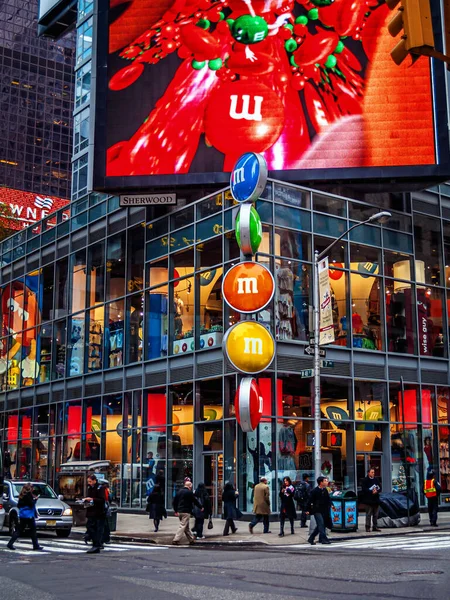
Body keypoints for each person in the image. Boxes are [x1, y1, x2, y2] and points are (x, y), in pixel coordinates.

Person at [7, 483, 44, 551]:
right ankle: (35, 546)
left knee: (19, 530)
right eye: (32, 487)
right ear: (29, 488)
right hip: (29, 515)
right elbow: (31, 504)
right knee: (33, 530)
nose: (33, 489)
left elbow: (19, 505)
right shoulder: (28, 495)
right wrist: (35, 499)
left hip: (23, 515)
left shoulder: (21, 495)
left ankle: (10, 543)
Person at [172, 480, 203, 545]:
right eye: (191, 487)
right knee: (183, 526)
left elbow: (174, 502)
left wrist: (175, 510)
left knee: (186, 527)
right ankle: (176, 539)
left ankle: (191, 539)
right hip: (186, 511)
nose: (191, 488)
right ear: (189, 486)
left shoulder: (179, 492)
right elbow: (195, 501)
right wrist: (201, 507)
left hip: (180, 511)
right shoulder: (189, 493)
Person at [83, 473, 107, 554]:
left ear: (94, 481)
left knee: (98, 528)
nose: (89, 483)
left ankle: (97, 544)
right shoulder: (90, 488)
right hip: (91, 511)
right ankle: (96, 543)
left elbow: (102, 500)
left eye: (90, 481)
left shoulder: (100, 488)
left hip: (99, 512)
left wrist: (92, 499)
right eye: (88, 481)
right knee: (90, 526)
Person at [307, 476, 332, 545]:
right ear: (321, 482)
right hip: (317, 510)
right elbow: (309, 501)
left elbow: (328, 499)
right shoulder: (314, 491)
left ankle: (311, 538)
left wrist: (332, 505)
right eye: (325, 481)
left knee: (320, 526)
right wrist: (308, 510)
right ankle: (324, 538)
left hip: (324, 510)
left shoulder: (325, 490)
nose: (327, 482)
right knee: (321, 523)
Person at [361, 468, 382, 532]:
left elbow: (380, 487)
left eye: (374, 472)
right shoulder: (365, 480)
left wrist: (377, 491)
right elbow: (364, 489)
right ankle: (367, 527)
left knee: (376, 514)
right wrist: (371, 491)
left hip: (375, 500)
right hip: (368, 500)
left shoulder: (376, 479)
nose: (373, 473)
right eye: (372, 472)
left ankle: (375, 526)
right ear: (368, 473)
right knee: (368, 514)